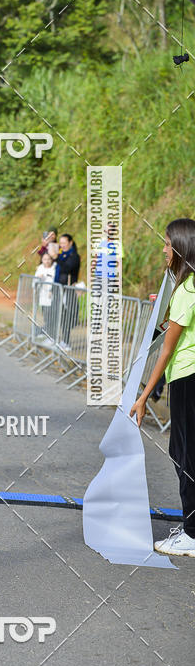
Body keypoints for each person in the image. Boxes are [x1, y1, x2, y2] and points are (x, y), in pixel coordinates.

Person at [130, 218, 195, 558]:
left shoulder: (187, 290)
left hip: (187, 376)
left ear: (181, 249)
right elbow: (167, 331)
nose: (163, 249)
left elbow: (167, 348)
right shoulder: (188, 286)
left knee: (184, 456)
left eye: (168, 244)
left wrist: (143, 397)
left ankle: (192, 534)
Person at [54, 233, 80, 351]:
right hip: (59, 289)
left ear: (70, 242)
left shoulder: (74, 256)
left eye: (64, 243)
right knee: (60, 315)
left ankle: (66, 341)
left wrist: (56, 258)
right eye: (61, 243)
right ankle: (61, 339)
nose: (62, 245)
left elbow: (67, 268)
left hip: (69, 290)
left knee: (69, 317)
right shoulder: (61, 255)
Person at [35, 252, 57, 343]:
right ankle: (45, 333)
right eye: (45, 259)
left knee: (52, 316)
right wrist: (38, 278)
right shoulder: (40, 268)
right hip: (43, 296)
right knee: (46, 316)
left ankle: (51, 336)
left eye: (49, 259)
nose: (47, 261)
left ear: (51, 260)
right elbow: (34, 282)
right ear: (42, 260)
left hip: (52, 296)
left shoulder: (55, 268)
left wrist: (53, 290)